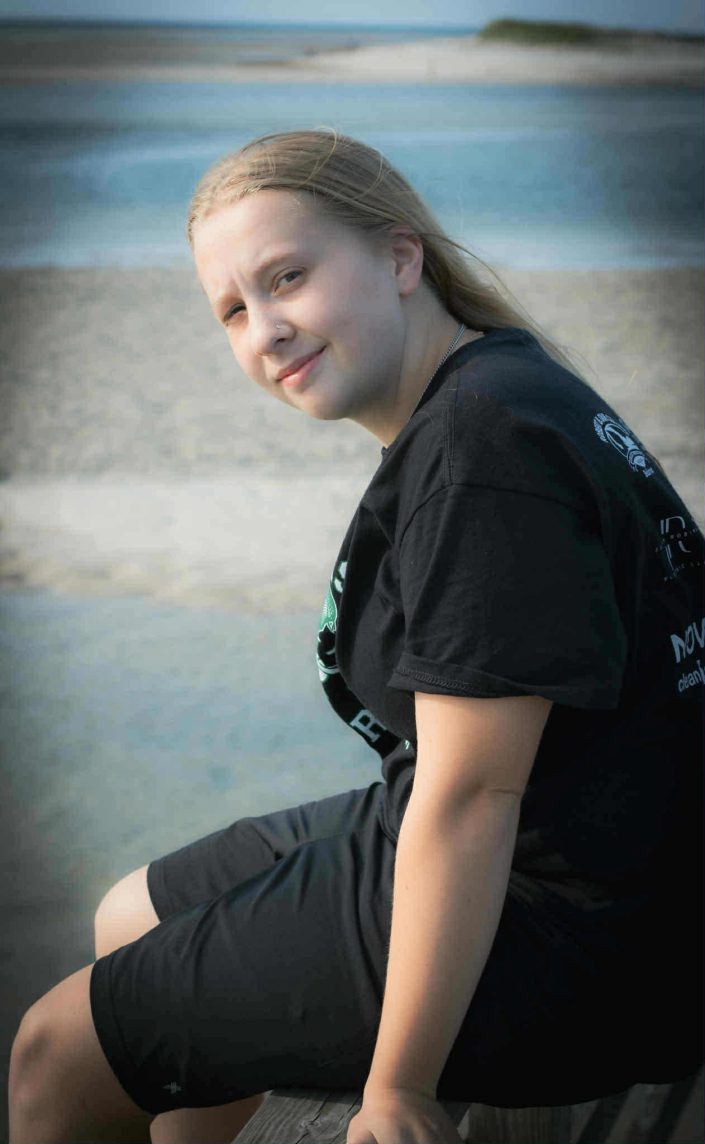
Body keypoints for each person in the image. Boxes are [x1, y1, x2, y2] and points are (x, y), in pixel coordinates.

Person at [9, 129, 703, 1144]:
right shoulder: (500, 384)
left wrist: (398, 1087)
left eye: (288, 277)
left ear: (400, 257)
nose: (265, 330)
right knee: (130, 915)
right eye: (233, 309)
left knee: (51, 1052)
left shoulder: (481, 448)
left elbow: (473, 796)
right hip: (590, 853)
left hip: (577, 924)